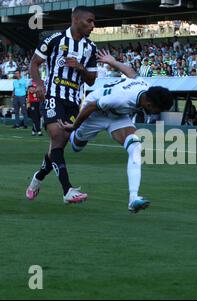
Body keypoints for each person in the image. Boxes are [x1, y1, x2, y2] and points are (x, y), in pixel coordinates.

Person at [58, 50, 174, 213]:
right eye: (157, 109)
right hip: (95, 112)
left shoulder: (146, 89)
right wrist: (74, 126)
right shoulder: (121, 98)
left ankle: (133, 198)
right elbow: (92, 106)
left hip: (118, 116)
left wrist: (112, 61)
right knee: (76, 146)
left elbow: (131, 72)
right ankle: (73, 134)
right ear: (149, 103)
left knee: (135, 147)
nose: (156, 113)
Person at [26, 6, 97, 204]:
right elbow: (34, 63)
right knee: (57, 135)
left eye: (93, 22)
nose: (93, 25)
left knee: (57, 146)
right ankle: (67, 190)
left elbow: (91, 80)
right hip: (52, 95)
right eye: (89, 21)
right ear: (76, 19)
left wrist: (81, 68)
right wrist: (38, 84)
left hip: (74, 101)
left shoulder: (90, 47)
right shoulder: (54, 39)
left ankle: (38, 177)